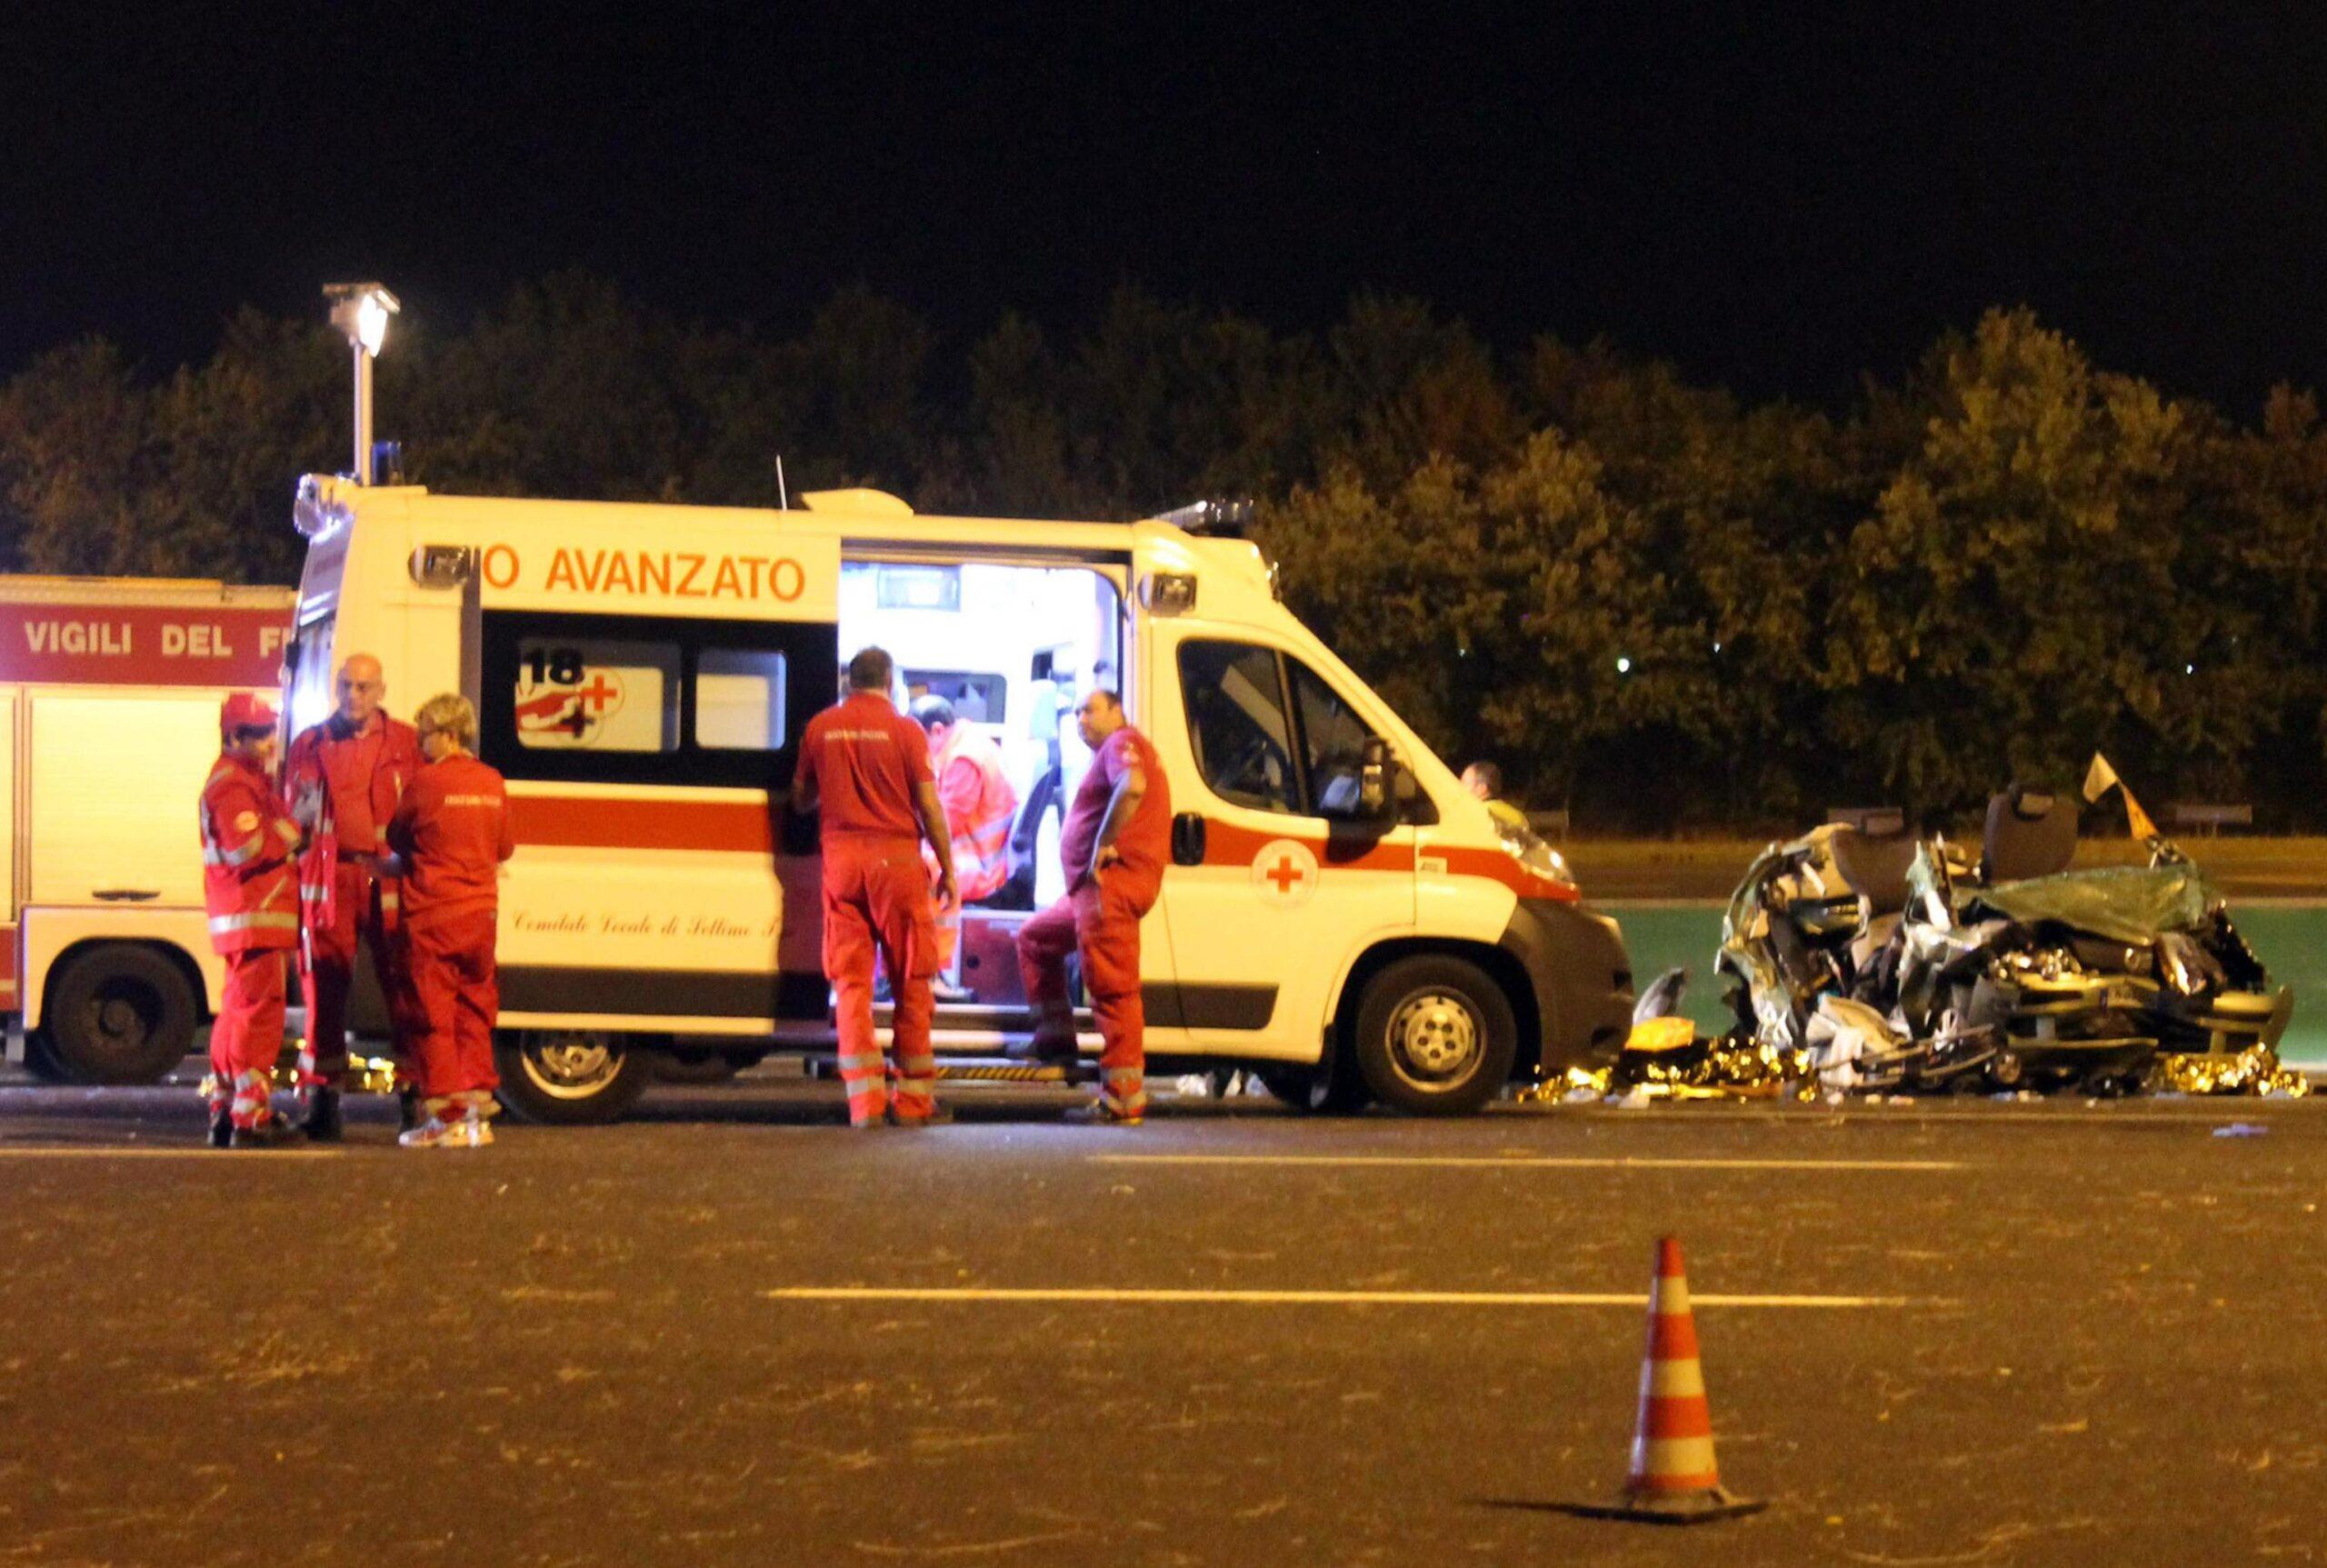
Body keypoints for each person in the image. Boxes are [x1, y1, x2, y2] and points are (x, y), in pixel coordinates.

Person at [794, 648, 959, 1127]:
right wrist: (947, 868)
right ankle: (912, 1104)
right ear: (889, 680)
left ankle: (865, 1105)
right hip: (896, 865)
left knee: (851, 987)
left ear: (850, 680)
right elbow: (929, 806)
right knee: (911, 982)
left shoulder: (821, 727)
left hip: (842, 864)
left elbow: (802, 799)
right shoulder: (907, 730)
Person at [1013, 688, 1171, 1124]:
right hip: (1090, 892)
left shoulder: (1123, 744)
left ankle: (1122, 1098)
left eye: (1091, 709)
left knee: (1113, 989)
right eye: (1078, 711)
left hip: (1108, 889)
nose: (1082, 718)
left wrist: (1103, 841)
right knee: (1034, 940)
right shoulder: (1117, 750)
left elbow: (1133, 786)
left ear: (1117, 711)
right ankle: (1056, 1037)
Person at [283, 653, 423, 1139]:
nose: (353, 696)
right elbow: (294, 813)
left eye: (364, 687)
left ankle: (414, 1096)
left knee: (404, 986)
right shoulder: (311, 743)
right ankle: (323, 1101)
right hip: (331, 876)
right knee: (324, 990)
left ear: (381, 690)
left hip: (389, 876)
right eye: (346, 686)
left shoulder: (407, 742)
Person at [381, 694, 514, 1150]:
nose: (421, 746)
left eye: (426, 736)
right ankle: (479, 1110)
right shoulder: (493, 781)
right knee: (475, 1009)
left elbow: (396, 835)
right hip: (481, 915)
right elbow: (505, 847)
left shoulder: (427, 782)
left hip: (434, 914)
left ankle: (446, 1116)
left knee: (432, 1014)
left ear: (450, 734)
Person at [197, 693, 305, 1148]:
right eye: (259, 735)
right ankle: (251, 1116)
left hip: (250, 916)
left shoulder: (247, 780)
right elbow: (249, 848)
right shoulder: (234, 786)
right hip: (254, 913)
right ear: (234, 735)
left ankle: (226, 1109)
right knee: (258, 1017)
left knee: (238, 1014)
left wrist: (283, 827)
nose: (268, 743)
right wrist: (288, 834)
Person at [910, 694, 1018, 999]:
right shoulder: (968, 744)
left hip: (983, 865)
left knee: (925, 870)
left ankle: (934, 971)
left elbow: (944, 825)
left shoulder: (963, 760)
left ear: (937, 731)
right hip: (980, 852)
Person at [1462, 760, 1533, 836]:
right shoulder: (1519, 817)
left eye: (1464, 783)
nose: (1459, 787)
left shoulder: (1473, 814)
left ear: (1482, 788)